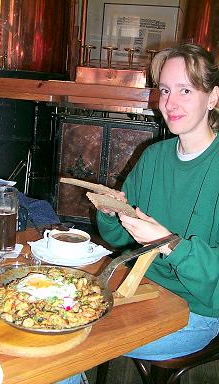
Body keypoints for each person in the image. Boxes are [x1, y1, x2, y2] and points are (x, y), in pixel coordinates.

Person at [57, 43, 219, 384]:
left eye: (185, 90)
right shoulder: (154, 156)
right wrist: (111, 213)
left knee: (67, 341)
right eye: (164, 90)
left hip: (198, 312)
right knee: (58, 317)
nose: (170, 103)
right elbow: (119, 240)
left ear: (213, 97)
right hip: (140, 288)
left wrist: (168, 243)